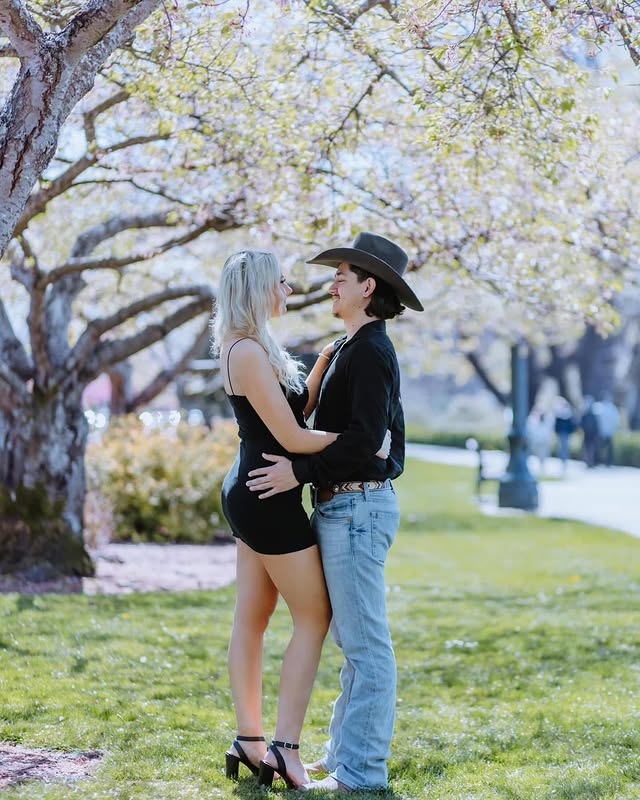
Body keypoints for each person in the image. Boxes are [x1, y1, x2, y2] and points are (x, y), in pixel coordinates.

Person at [246, 232, 424, 792]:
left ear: (368, 287)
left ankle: (362, 775)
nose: (331, 284)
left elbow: (369, 439)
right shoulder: (350, 346)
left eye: (341, 277)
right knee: (355, 641)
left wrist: (297, 473)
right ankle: (344, 756)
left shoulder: (372, 351)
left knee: (367, 647)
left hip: (357, 509)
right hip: (343, 507)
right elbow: (346, 433)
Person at [212, 249, 390, 791]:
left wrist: (314, 377)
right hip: (266, 496)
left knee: (254, 616)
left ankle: (251, 740)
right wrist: (364, 444)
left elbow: (290, 415)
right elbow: (291, 438)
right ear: (258, 288)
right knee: (313, 617)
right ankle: (283, 749)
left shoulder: (253, 345)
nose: (288, 291)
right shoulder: (244, 351)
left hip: (257, 488)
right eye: (281, 283)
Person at [594, 393, 620, 467]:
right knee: (606, 449)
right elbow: (616, 421)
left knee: (602, 448)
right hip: (607, 432)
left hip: (604, 432)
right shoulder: (608, 408)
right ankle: (606, 462)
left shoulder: (602, 407)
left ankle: (599, 462)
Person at [553, 398, 577, 474]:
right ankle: (564, 462)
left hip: (563, 433)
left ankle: (564, 462)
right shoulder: (568, 413)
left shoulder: (561, 414)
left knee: (563, 448)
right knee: (564, 448)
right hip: (565, 433)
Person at [580, 396, 599, 468]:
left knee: (590, 448)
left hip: (591, 434)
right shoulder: (587, 413)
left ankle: (590, 462)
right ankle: (588, 461)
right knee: (588, 448)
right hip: (587, 434)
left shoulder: (592, 413)